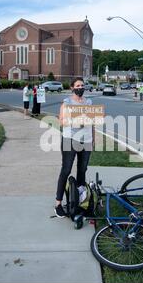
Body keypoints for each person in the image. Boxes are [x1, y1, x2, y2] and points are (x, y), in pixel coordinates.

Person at [54, 77, 95, 218]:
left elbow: (93, 122)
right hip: (70, 140)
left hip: (86, 140)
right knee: (66, 170)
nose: (80, 87)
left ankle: (80, 201)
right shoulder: (67, 103)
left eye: (82, 85)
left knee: (82, 170)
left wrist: (93, 139)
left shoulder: (89, 102)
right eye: (78, 85)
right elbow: (61, 121)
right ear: (72, 88)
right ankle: (58, 204)